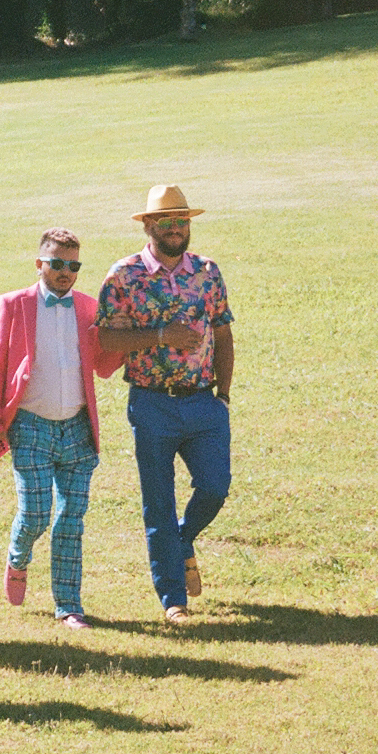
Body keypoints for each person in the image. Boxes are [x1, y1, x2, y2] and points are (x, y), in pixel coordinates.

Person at [96, 185, 234, 625]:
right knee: (158, 501)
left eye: (183, 221)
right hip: (152, 404)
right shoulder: (123, 275)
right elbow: (106, 338)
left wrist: (224, 395)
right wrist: (160, 335)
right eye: (167, 222)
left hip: (203, 403)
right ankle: (173, 598)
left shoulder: (207, 271)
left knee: (215, 486)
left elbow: (224, 332)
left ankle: (182, 541)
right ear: (150, 226)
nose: (176, 229)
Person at [0, 228, 123, 629]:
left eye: (73, 266)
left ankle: (68, 605)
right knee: (37, 513)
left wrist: (129, 338)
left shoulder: (88, 307)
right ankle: (17, 557)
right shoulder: (14, 305)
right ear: (39, 263)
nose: (65, 272)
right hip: (30, 425)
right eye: (57, 264)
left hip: (78, 427)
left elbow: (104, 368)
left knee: (71, 517)